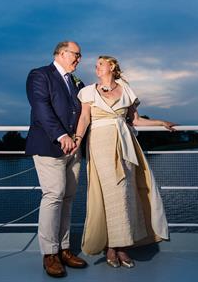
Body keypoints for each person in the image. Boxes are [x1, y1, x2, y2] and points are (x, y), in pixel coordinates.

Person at [73, 55, 176, 268]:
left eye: (101, 64)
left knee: (126, 192)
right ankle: (111, 246)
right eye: (96, 65)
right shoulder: (88, 91)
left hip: (125, 144)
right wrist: (77, 140)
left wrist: (160, 122)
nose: (97, 67)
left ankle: (122, 247)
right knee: (110, 193)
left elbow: (135, 120)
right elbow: (84, 119)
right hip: (100, 144)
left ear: (112, 66)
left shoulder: (126, 89)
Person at [25, 41, 88, 278]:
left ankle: (64, 249)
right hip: (49, 146)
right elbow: (41, 107)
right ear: (62, 53)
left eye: (80, 56)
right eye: (76, 54)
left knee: (68, 198)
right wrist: (61, 135)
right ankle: (49, 254)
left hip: (74, 149)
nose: (79, 59)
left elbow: (81, 111)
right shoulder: (40, 75)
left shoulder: (75, 82)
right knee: (53, 196)